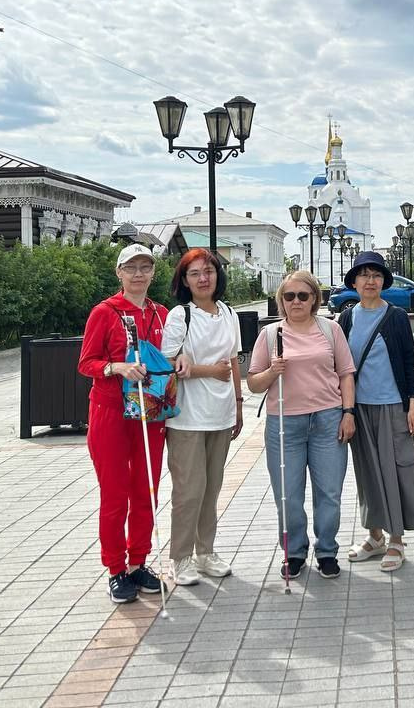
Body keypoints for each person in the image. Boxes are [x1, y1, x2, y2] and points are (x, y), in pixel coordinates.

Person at [247, 270, 356, 580]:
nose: (296, 301)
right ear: (281, 300)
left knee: (329, 492)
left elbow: (346, 373)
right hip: (285, 423)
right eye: (289, 296)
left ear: (314, 299)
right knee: (288, 494)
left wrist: (348, 413)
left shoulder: (330, 329)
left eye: (303, 296)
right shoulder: (271, 335)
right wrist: (272, 371)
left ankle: (326, 551)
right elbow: (253, 383)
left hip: (327, 418)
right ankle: (294, 551)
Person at [77, 243, 169, 604]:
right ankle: (115, 568)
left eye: (145, 267)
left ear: (153, 273)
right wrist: (116, 367)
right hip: (111, 413)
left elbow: (170, 356)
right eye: (131, 268)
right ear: (119, 273)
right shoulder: (104, 312)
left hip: (149, 413)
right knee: (115, 493)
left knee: (146, 490)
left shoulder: (161, 314)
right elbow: (86, 363)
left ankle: (138, 562)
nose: (138, 274)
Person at [160, 248, 243, 588]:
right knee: (189, 491)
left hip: (220, 415)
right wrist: (207, 370)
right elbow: (167, 365)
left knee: (211, 489)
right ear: (184, 280)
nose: (203, 278)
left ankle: (205, 552)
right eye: (194, 273)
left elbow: (233, 361)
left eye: (208, 271)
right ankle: (180, 558)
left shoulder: (228, 313)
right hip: (187, 418)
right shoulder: (180, 316)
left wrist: (238, 404)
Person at [338, 251, 414, 573]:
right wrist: (345, 409)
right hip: (358, 408)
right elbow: (340, 366)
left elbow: (408, 362)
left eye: (376, 275)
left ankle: (396, 539)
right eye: (363, 275)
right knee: (367, 472)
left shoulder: (396, 317)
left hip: (391, 405)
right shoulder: (346, 319)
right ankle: (374, 536)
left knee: (395, 470)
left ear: (384, 281)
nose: (370, 281)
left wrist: (412, 403)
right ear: (354, 282)